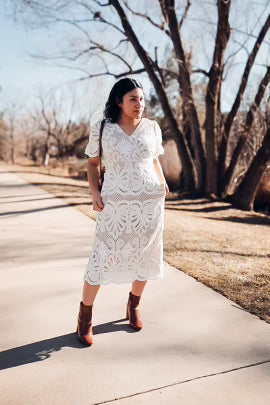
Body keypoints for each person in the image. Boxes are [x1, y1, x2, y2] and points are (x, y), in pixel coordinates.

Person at [77, 78, 169, 346]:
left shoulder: (152, 128)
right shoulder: (103, 128)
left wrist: (162, 183)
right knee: (101, 257)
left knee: (145, 255)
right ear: (119, 101)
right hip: (114, 207)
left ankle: (134, 305)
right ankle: (85, 316)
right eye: (133, 99)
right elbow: (93, 164)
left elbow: (154, 160)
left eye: (141, 99)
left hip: (149, 206)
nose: (139, 104)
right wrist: (95, 192)